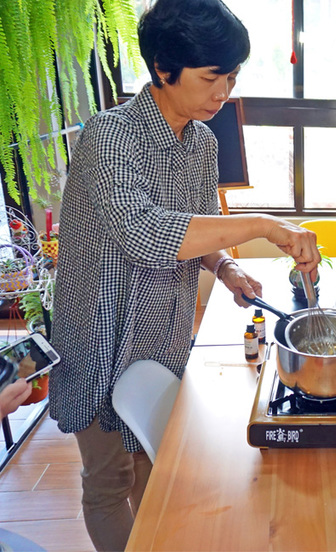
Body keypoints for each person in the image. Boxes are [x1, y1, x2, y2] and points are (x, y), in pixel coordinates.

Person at [49, 1, 320, 550]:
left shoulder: (200, 141)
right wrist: (265, 225)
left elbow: (196, 229)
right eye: (212, 76)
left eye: (233, 75)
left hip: (162, 331)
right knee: (109, 479)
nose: (225, 90)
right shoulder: (109, 136)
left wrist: (226, 268)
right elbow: (147, 234)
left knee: (158, 464)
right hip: (102, 330)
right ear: (163, 68)